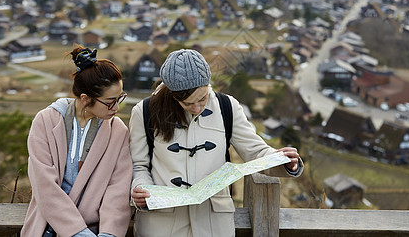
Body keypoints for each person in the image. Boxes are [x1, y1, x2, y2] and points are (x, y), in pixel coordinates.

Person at [129, 49, 303, 237]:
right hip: (160, 226)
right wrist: (142, 190)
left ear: (208, 83)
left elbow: (256, 151)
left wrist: (282, 161)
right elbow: (139, 166)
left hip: (214, 225)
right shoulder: (144, 112)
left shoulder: (228, 107)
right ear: (173, 94)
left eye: (203, 98)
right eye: (187, 103)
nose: (196, 108)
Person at [21, 45, 132, 237]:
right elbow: (44, 184)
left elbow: (118, 189)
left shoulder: (118, 131)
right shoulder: (46, 121)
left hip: (97, 231)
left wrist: (110, 233)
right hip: (47, 229)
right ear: (86, 99)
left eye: (119, 98)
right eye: (110, 101)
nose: (116, 107)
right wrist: (77, 232)